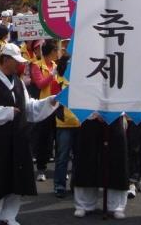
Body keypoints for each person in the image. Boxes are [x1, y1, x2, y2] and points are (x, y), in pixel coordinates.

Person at [0, 43, 59, 225]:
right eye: (15, 61)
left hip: (18, 139)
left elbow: (29, 107)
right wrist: (7, 112)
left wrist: (50, 102)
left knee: (15, 179)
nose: (19, 65)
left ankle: (8, 215)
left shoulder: (18, 82)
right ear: (5, 60)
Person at [73, 115, 129, 219]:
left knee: (117, 162)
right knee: (86, 160)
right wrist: (96, 113)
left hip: (115, 116)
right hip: (89, 116)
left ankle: (116, 206)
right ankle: (84, 204)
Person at [30, 40, 60, 182]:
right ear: (51, 52)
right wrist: (51, 75)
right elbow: (40, 84)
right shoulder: (36, 65)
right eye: (56, 51)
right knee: (43, 138)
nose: (58, 53)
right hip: (44, 106)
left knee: (58, 138)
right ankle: (41, 169)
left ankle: (59, 171)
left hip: (57, 106)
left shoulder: (55, 65)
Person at [53, 55, 80, 199]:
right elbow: (53, 101)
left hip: (80, 123)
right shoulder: (58, 81)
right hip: (64, 124)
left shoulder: (82, 81)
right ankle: (59, 185)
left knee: (78, 157)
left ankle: (76, 184)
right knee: (62, 156)